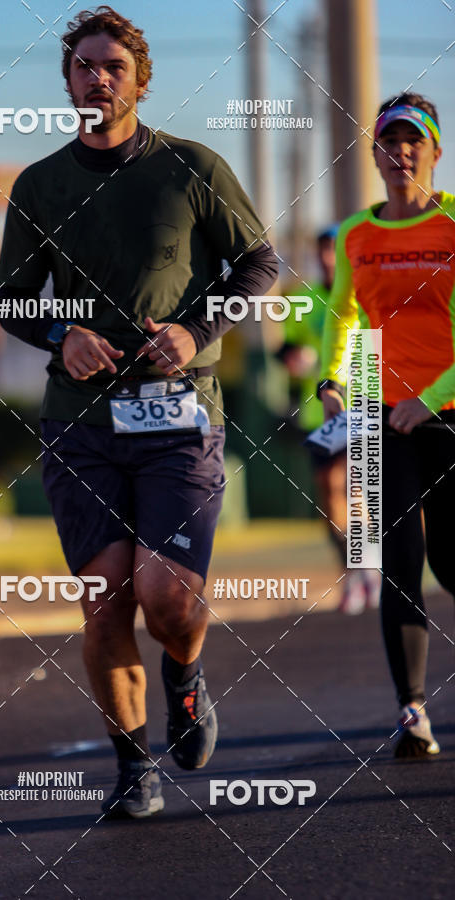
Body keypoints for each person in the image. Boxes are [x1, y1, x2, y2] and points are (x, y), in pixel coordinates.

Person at [0, 6, 278, 816]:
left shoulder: (192, 168)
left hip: (180, 419)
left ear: (140, 81)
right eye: (84, 65)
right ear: (68, 79)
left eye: (113, 66)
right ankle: (133, 769)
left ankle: (184, 679)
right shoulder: (39, 184)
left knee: (166, 595)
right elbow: (12, 302)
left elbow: (260, 261)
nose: (98, 77)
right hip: (80, 426)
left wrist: (195, 329)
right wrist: (61, 334)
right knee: (107, 595)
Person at [318, 92, 455, 757]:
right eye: (388, 142)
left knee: (453, 562)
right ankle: (412, 710)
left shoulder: (454, 226)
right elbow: (342, 312)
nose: (401, 152)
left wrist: (428, 401)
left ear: (435, 152)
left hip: (450, 413)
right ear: (373, 154)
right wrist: (332, 377)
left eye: (414, 141)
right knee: (400, 563)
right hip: (382, 415)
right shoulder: (355, 235)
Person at [278, 228, 379, 614]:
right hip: (320, 413)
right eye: (322, 251)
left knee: (358, 490)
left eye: (334, 252)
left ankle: (369, 566)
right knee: (328, 495)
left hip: (366, 406)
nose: (327, 259)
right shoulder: (304, 299)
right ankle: (355, 571)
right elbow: (286, 347)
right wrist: (293, 357)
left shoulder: (368, 295)